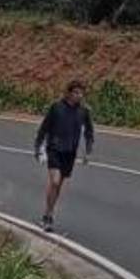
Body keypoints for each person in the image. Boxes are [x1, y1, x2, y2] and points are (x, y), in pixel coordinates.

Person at [33, 80, 94, 233]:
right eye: (76, 92)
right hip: (54, 149)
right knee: (54, 181)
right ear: (69, 92)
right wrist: (38, 148)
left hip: (70, 152)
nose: (79, 96)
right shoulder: (56, 107)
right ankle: (47, 217)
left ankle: (48, 214)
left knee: (58, 185)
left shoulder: (83, 111)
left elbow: (89, 132)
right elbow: (44, 128)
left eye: (81, 93)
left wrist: (87, 151)